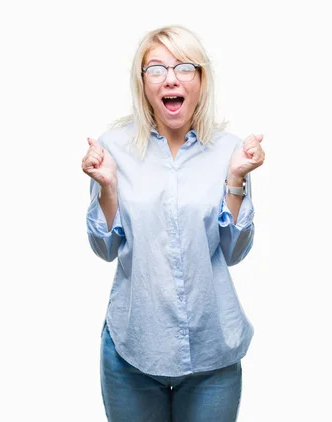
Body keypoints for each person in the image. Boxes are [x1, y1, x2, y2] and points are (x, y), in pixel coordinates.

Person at [81, 24, 265, 422]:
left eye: (184, 67)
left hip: (212, 350)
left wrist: (237, 180)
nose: (170, 79)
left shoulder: (230, 151)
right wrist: (107, 189)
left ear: (200, 79)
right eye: (156, 69)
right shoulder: (113, 147)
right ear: (142, 81)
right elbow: (105, 249)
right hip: (133, 349)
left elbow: (233, 252)